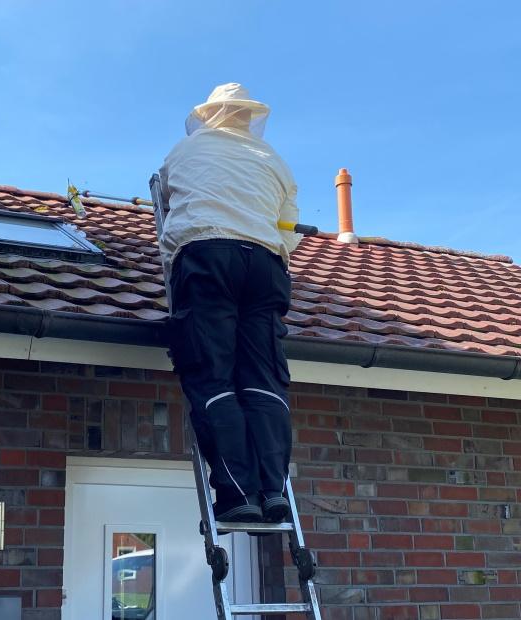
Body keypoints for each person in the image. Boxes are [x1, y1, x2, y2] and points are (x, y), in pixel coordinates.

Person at [158, 83, 303, 523]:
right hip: (265, 266)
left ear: (209, 114)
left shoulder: (183, 152)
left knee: (212, 375)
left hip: (206, 255)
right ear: (246, 117)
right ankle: (273, 490)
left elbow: (167, 200)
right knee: (263, 379)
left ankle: (238, 495)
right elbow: (286, 229)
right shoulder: (274, 161)